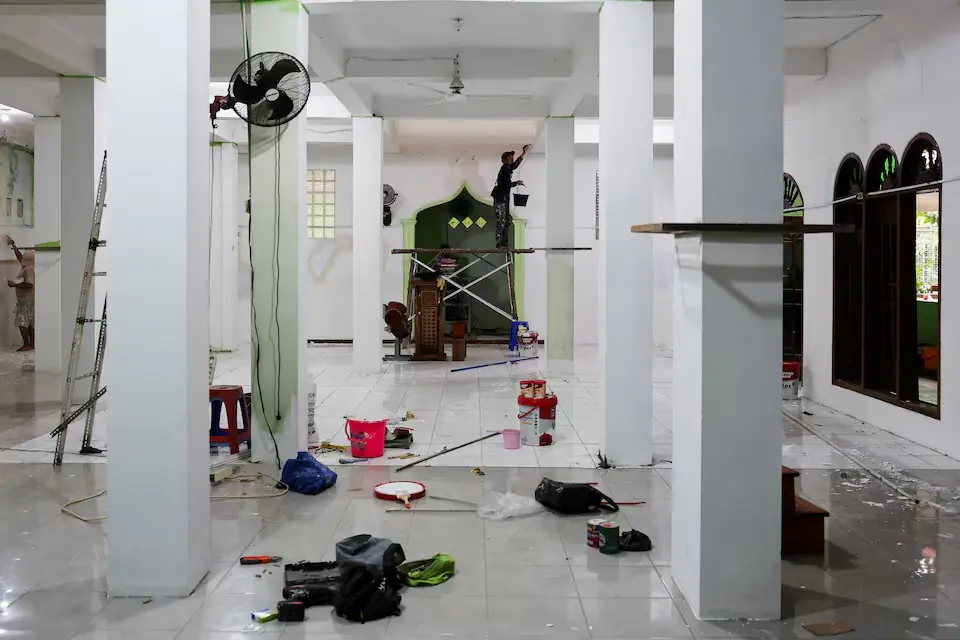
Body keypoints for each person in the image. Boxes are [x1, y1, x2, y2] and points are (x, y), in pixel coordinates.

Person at [491, 144, 531, 248]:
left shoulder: (507, 168)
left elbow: (514, 165)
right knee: (502, 220)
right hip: (501, 199)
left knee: (506, 220)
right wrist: (515, 183)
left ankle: (503, 242)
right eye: (510, 157)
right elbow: (505, 184)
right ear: (505, 159)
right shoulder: (504, 170)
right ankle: (500, 243)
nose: (512, 158)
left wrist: (523, 153)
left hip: (503, 199)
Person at [5, 236, 34, 352]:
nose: (21, 260)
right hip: (30, 299)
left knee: (22, 322)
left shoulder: (28, 269)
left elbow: (30, 284)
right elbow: (20, 257)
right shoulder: (30, 266)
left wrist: (14, 285)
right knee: (31, 322)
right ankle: (31, 343)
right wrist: (14, 246)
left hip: (26, 300)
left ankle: (27, 344)